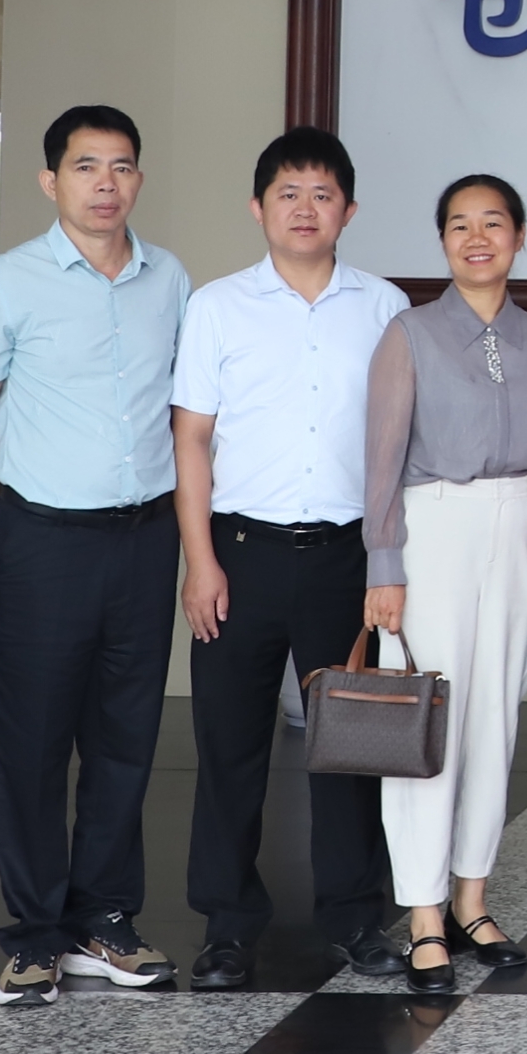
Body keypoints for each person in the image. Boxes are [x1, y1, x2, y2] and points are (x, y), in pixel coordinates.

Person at [0, 105, 195, 1007]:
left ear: (140, 180)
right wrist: (22, 500)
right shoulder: (7, 283)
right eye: (86, 166)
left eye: (121, 166)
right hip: (44, 541)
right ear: (51, 181)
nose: (105, 183)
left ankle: (105, 922)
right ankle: (34, 937)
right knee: (33, 742)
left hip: (144, 537)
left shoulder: (169, 278)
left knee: (124, 738)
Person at [170, 126, 408, 988]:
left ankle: (354, 916)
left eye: (322, 195)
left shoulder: (384, 307)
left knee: (350, 747)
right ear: (258, 206)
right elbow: (191, 440)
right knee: (229, 746)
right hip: (240, 554)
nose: (305, 209)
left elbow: (400, 446)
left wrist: (388, 563)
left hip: (345, 556)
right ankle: (228, 925)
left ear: (349, 209)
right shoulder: (217, 306)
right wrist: (200, 562)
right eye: (288, 194)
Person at [362, 173, 527, 996]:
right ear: (443, 240)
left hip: (521, 526)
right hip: (434, 529)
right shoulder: (409, 333)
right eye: (459, 225)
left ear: (520, 236)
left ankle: (472, 902)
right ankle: (423, 914)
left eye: (492, 223)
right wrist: (384, 565)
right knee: (427, 722)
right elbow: (381, 462)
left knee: (494, 719)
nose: (476, 238)